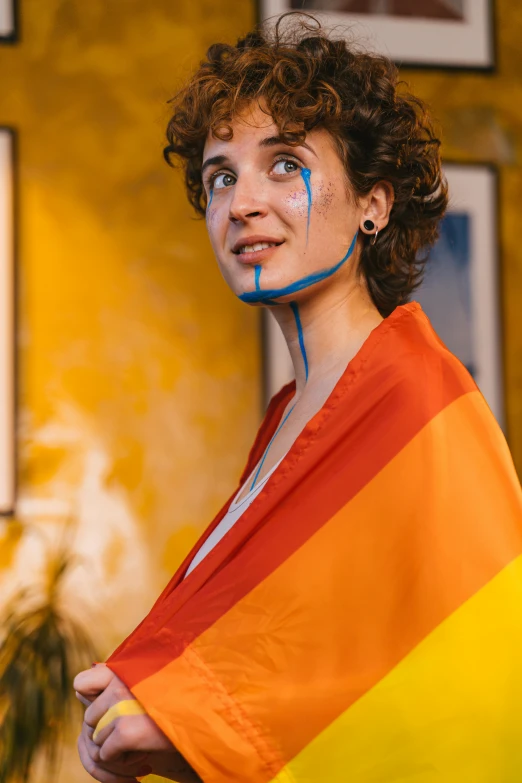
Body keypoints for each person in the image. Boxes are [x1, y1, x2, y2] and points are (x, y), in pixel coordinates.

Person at [74, 12, 522, 783]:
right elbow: (308, 651)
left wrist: (191, 723)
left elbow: (477, 676)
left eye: (284, 165)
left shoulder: (417, 393)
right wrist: (154, 711)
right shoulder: (289, 418)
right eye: (222, 177)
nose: (243, 202)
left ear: (373, 203)